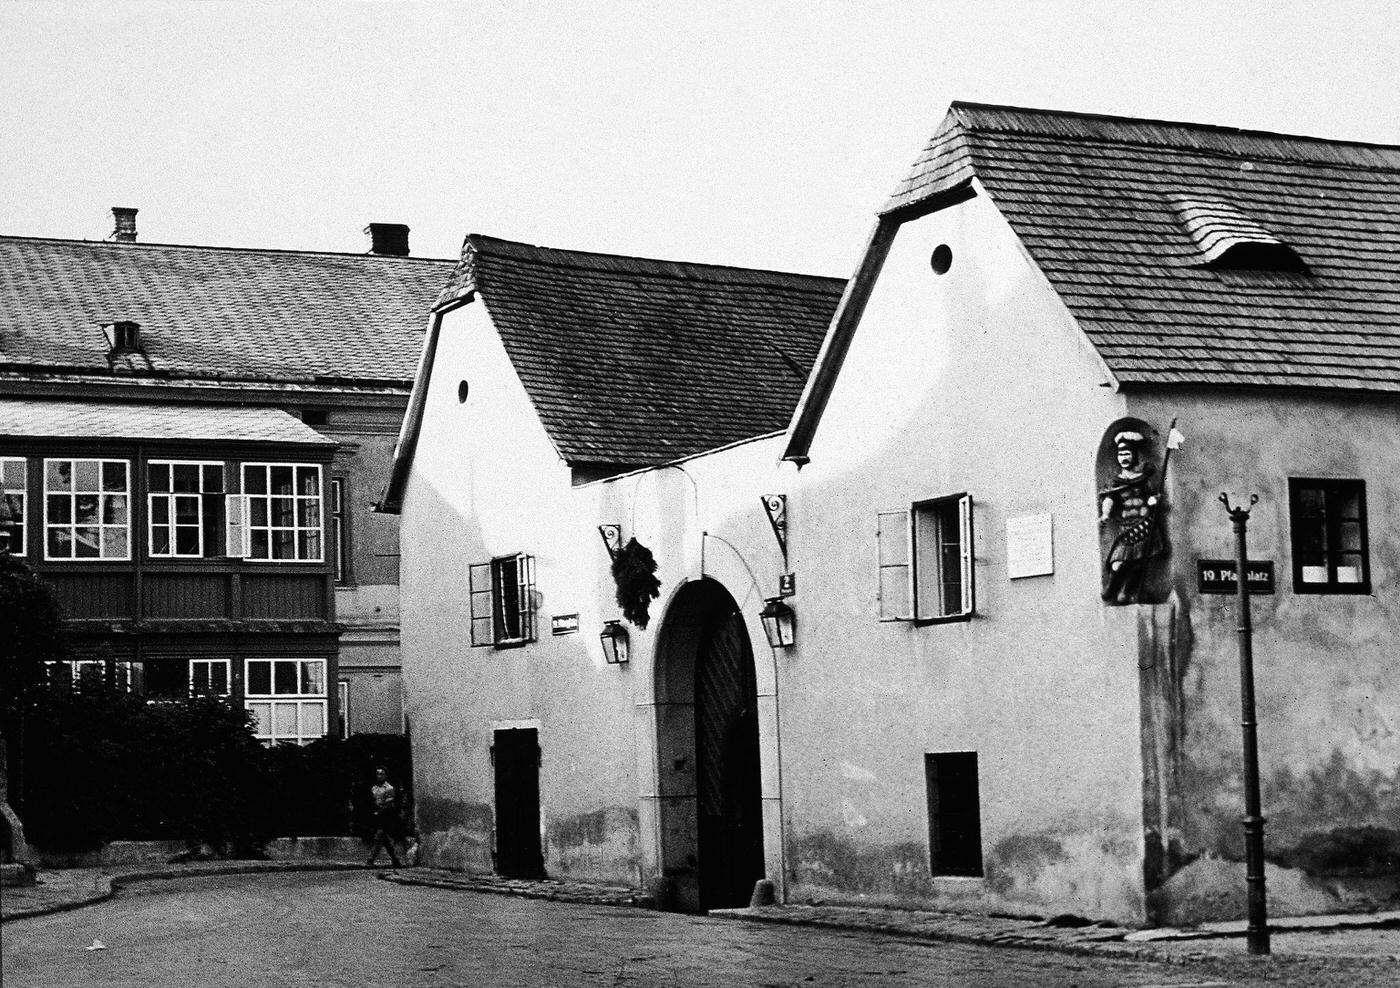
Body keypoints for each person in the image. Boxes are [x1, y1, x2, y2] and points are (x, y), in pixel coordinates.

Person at [1099, 430, 1165, 604]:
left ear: (1134, 455)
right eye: (1121, 454)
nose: (1124, 457)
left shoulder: (1143, 479)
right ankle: (1113, 586)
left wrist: (1152, 501)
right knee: (1118, 563)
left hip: (1144, 524)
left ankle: (1127, 592)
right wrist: (1105, 514)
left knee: (1140, 563)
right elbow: (1109, 498)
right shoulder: (1116, 481)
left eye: (1127, 453)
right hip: (1127, 526)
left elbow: (1149, 496)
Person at [366, 766, 401, 868]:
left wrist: (379, 812)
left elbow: (389, 804)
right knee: (384, 839)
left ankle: (370, 860)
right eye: (377, 774)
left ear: (386, 775)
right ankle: (395, 860)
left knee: (379, 836)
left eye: (381, 774)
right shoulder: (374, 788)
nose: (379, 776)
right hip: (377, 815)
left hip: (386, 816)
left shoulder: (389, 788)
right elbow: (372, 802)